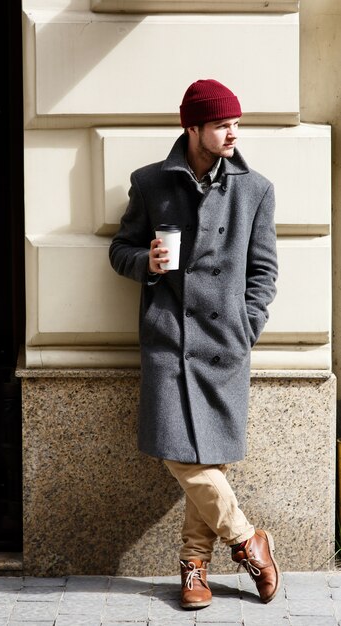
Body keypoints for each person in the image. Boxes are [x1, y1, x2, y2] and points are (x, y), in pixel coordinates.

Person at [109, 79, 279, 609]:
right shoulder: (151, 183)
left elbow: (264, 271)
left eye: (236, 124)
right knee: (178, 454)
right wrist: (146, 263)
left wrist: (246, 325)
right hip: (168, 340)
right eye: (222, 125)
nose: (233, 133)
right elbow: (119, 249)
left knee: (210, 456)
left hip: (224, 343)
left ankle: (193, 566)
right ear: (193, 129)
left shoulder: (256, 189)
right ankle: (248, 540)